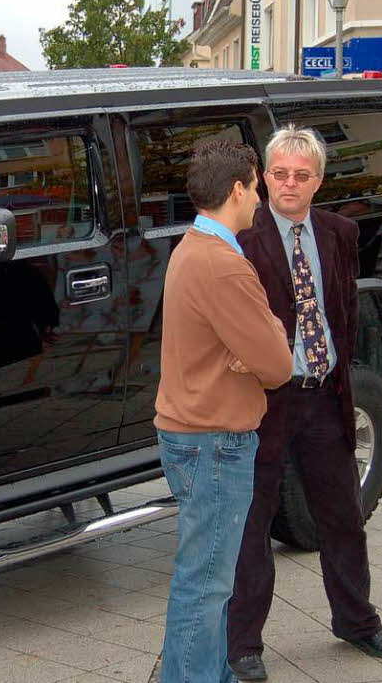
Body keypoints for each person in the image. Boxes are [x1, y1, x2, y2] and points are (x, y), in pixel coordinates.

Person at [227, 126, 382, 681]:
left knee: (343, 516)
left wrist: (340, 373)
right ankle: (244, 644)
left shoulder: (339, 232)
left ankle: (357, 621)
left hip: (325, 397)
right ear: (264, 176)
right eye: (279, 173)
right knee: (253, 525)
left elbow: (343, 312)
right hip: (265, 401)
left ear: (318, 181)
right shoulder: (243, 236)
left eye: (301, 176)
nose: (289, 184)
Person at [155, 140, 292, 683]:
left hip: (195, 435)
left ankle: (212, 674)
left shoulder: (195, 246)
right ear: (237, 188)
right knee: (207, 582)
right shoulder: (223, 264)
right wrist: (264, 342)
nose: (260, 198)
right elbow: (279, 365)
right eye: (257, 186)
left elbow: (258, 351)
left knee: (207, 577)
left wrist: (254, 348)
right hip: (215, 440)